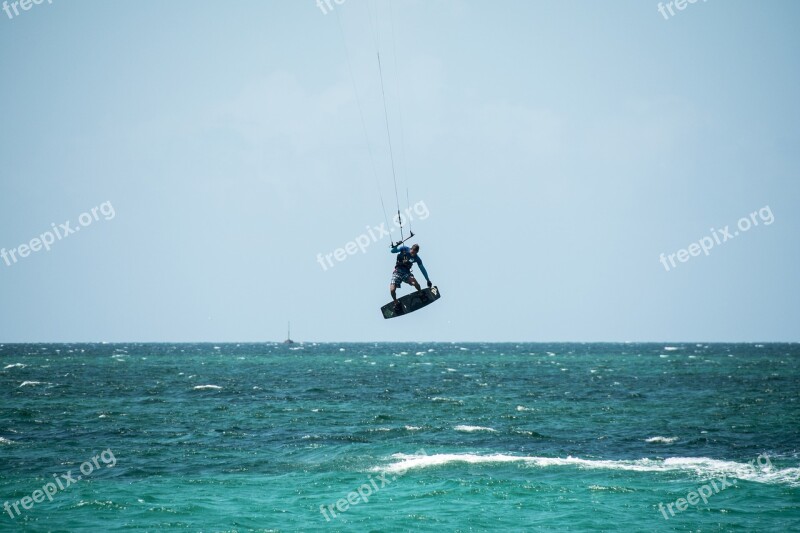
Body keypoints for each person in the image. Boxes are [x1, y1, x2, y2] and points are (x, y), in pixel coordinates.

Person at [389, 243, 432, 312]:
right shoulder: (404, 248)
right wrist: (396, 246)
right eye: (412, 252)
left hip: (406, 273)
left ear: (417, 252)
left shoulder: (417, 258)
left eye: (415, 253)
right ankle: (396, 303)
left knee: (414, 282)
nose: (413, 254)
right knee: (392, 289)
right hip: (397, 272)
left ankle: (421, 294)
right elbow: (392, 251)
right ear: (410, 249)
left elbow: (422, 269)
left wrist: (428, 280)